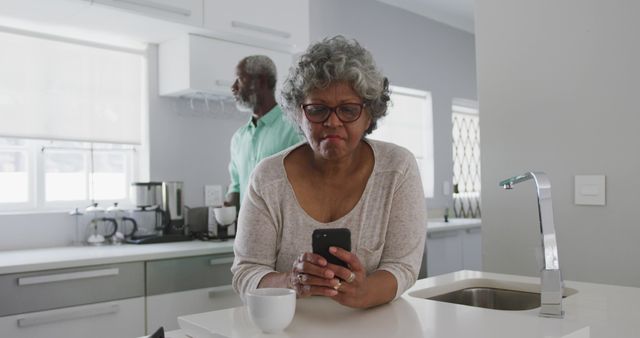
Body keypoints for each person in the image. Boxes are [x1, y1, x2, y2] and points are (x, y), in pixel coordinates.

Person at [231, 36, 427, 309]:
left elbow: (403, 266)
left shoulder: (397, 169)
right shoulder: (268, 178)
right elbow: (246, 272)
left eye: (348, 109)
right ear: (298, 114)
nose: (332, 122)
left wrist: (365, 291)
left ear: (369, 115)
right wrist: (291, 281)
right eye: (317, 109)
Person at [225, 55, 303, 209]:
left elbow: (305, 182)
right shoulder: (238, 138)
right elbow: (236, 186)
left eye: (239, 80)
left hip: (284, 229)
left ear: (260, 82)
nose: (233, 87)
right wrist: (227, 205)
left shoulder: (295, 129)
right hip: (248, 230)